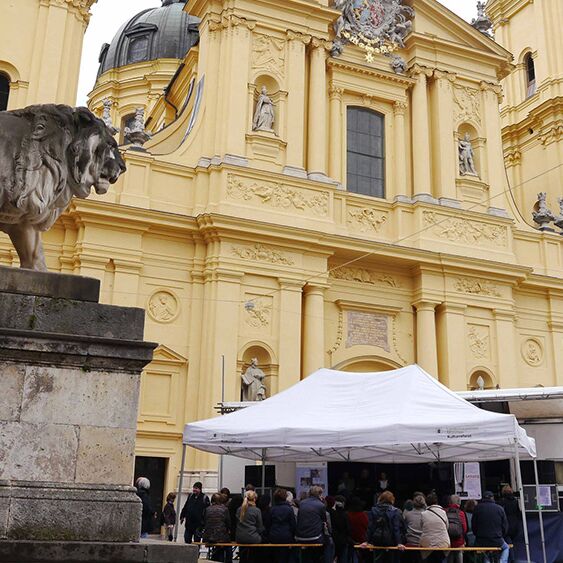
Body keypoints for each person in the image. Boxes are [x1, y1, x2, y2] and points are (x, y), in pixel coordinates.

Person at [365, 491, 405, 563]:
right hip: (390, 541)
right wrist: (399, 542)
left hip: (377, 540)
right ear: (392, 500)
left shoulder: (374, 510)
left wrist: (367, 541)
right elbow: (396, 528)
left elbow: (370, 527)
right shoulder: (395, 511)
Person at [471, 491, 509, 563]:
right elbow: (505, 526)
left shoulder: (477, 508)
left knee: (485, 553)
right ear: (492, 498)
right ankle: (502, 561)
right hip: (496, 539)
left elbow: (474, 526)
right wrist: (500, 535)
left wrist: (478, 535)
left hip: (480, 540)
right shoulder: (500, 509)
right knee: (506, 548)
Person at [295, 486, 328, 563]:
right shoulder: (321, 505)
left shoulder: (302, 503)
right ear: (319, 495)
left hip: (301, 537)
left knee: (305, 555)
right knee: (329, 542)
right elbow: (324, 520)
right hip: (315, 537)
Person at [419, 492, 450, 563]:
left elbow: (422, 528)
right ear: (436, 502)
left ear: (426, 503)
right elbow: (447, 527)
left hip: (428, 543)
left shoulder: (423, 514)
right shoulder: (443, 512)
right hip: (443, 543)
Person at [269, 488, 297, 563]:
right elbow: (293, 525)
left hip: (274, 536)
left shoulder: (272, 509)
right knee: (285, 557)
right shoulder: (289, 509)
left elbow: (268, 524)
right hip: (286, 536)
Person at [236, 491, 264, 562]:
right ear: (254, 499)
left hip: (240, 538)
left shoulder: (239, 509)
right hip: (253, 537)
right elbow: (260, 527)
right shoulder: (257, 510)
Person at [204, 493, 232, 562]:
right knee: (228, 546)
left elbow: (205, 521)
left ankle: (216, 557)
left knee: (219, 547)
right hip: (221, 536)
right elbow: (228, 523)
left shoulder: (207, 509)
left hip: (208, 536)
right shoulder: (225, 509)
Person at [497, 486, 522, 561]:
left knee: (506, 543)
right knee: (510, 542)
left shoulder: (502, 502)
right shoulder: (516, 501)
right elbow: (518, 513)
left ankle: (511, 558)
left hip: (506, 525)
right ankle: (511, 557)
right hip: (515, 525)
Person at [445, 495, 468, 563]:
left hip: (448, 540)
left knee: (450, 557)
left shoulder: (445, 511)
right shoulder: (461, 513)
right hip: (459, 541)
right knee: (459, 555)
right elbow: (464, 528)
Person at [347, 497, 368, 562]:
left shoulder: (348, 515)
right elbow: (367, 527)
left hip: (350, 540)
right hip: (362, 540)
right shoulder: (363, 515)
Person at [331, 495, 352, 563]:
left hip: (333, 539)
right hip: (343, 540)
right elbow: (348, 528)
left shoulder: (330, 513)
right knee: (343, 558)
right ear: (343, 503)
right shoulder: (345, 514)